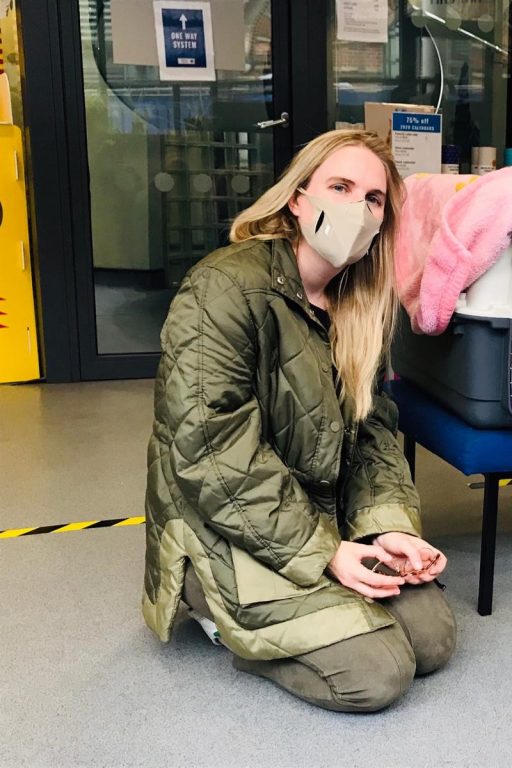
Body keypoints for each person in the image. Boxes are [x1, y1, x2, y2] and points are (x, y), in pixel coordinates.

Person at [142, 129, 456, 712]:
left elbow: (374, 434)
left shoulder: (360, 304)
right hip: (221, 526)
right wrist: (324, 552)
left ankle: (316, 611)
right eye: (339, 186)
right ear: (297, 197)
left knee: (433, 640)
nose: (357, 209)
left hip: (318, 516)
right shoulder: (224, 287)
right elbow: (211, 453)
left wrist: (390, 527)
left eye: (373, 199)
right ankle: (222, 626)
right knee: (377, 675)